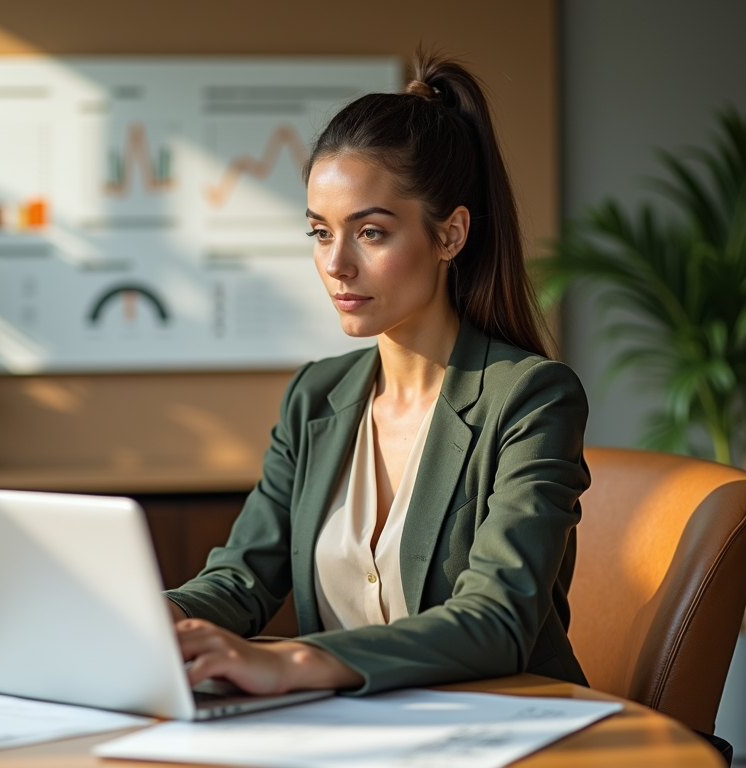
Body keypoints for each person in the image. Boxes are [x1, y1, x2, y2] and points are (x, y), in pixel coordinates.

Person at [165, 52, 591, 697]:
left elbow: (498, 621)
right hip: (349, 738)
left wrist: (297, 662)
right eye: (318, 231)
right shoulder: (315, 398)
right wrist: (145, 620)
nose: (336, 264)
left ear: (449, 236)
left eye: (370, 232)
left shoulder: (530, 399)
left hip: (500, 731)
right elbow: (241, 580)